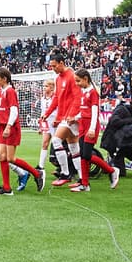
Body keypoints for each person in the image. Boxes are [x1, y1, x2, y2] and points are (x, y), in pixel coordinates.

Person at [0, 67, 44, 195]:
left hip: (11, 128)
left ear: (4, 79)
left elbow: (14, 111)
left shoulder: (10, 91)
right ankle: (7, 188)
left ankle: (37, 174)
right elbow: (5, 110)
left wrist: (9, 126)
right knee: (2, 156)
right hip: (3, 126)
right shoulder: (2, 91)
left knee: (10, 158)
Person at [70, 68, 118, 192]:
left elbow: (95, 111)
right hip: (82, 125)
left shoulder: (93, 92)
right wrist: (75, 118)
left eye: (78, 81)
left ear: (86, 79)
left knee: (87, 154)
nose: (77, 83)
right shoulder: (83, 91)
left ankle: (111, 171)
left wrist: (92, 128)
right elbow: (84, 110)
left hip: (90, 126)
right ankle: (85, 184)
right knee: (83, 155)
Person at [45, 49, 82, 188]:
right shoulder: (58, 78)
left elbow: (77, 98)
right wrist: (48, 113)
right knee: (73, 147)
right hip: (65, 117)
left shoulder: (72, 76)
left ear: (62, 63)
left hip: (71, 117)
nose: (52, 68)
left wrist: (71, 115)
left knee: (55, 140)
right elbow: (57, 98)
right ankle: (82, 179)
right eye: (51, 66)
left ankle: (65, 174)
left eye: (54, 66)